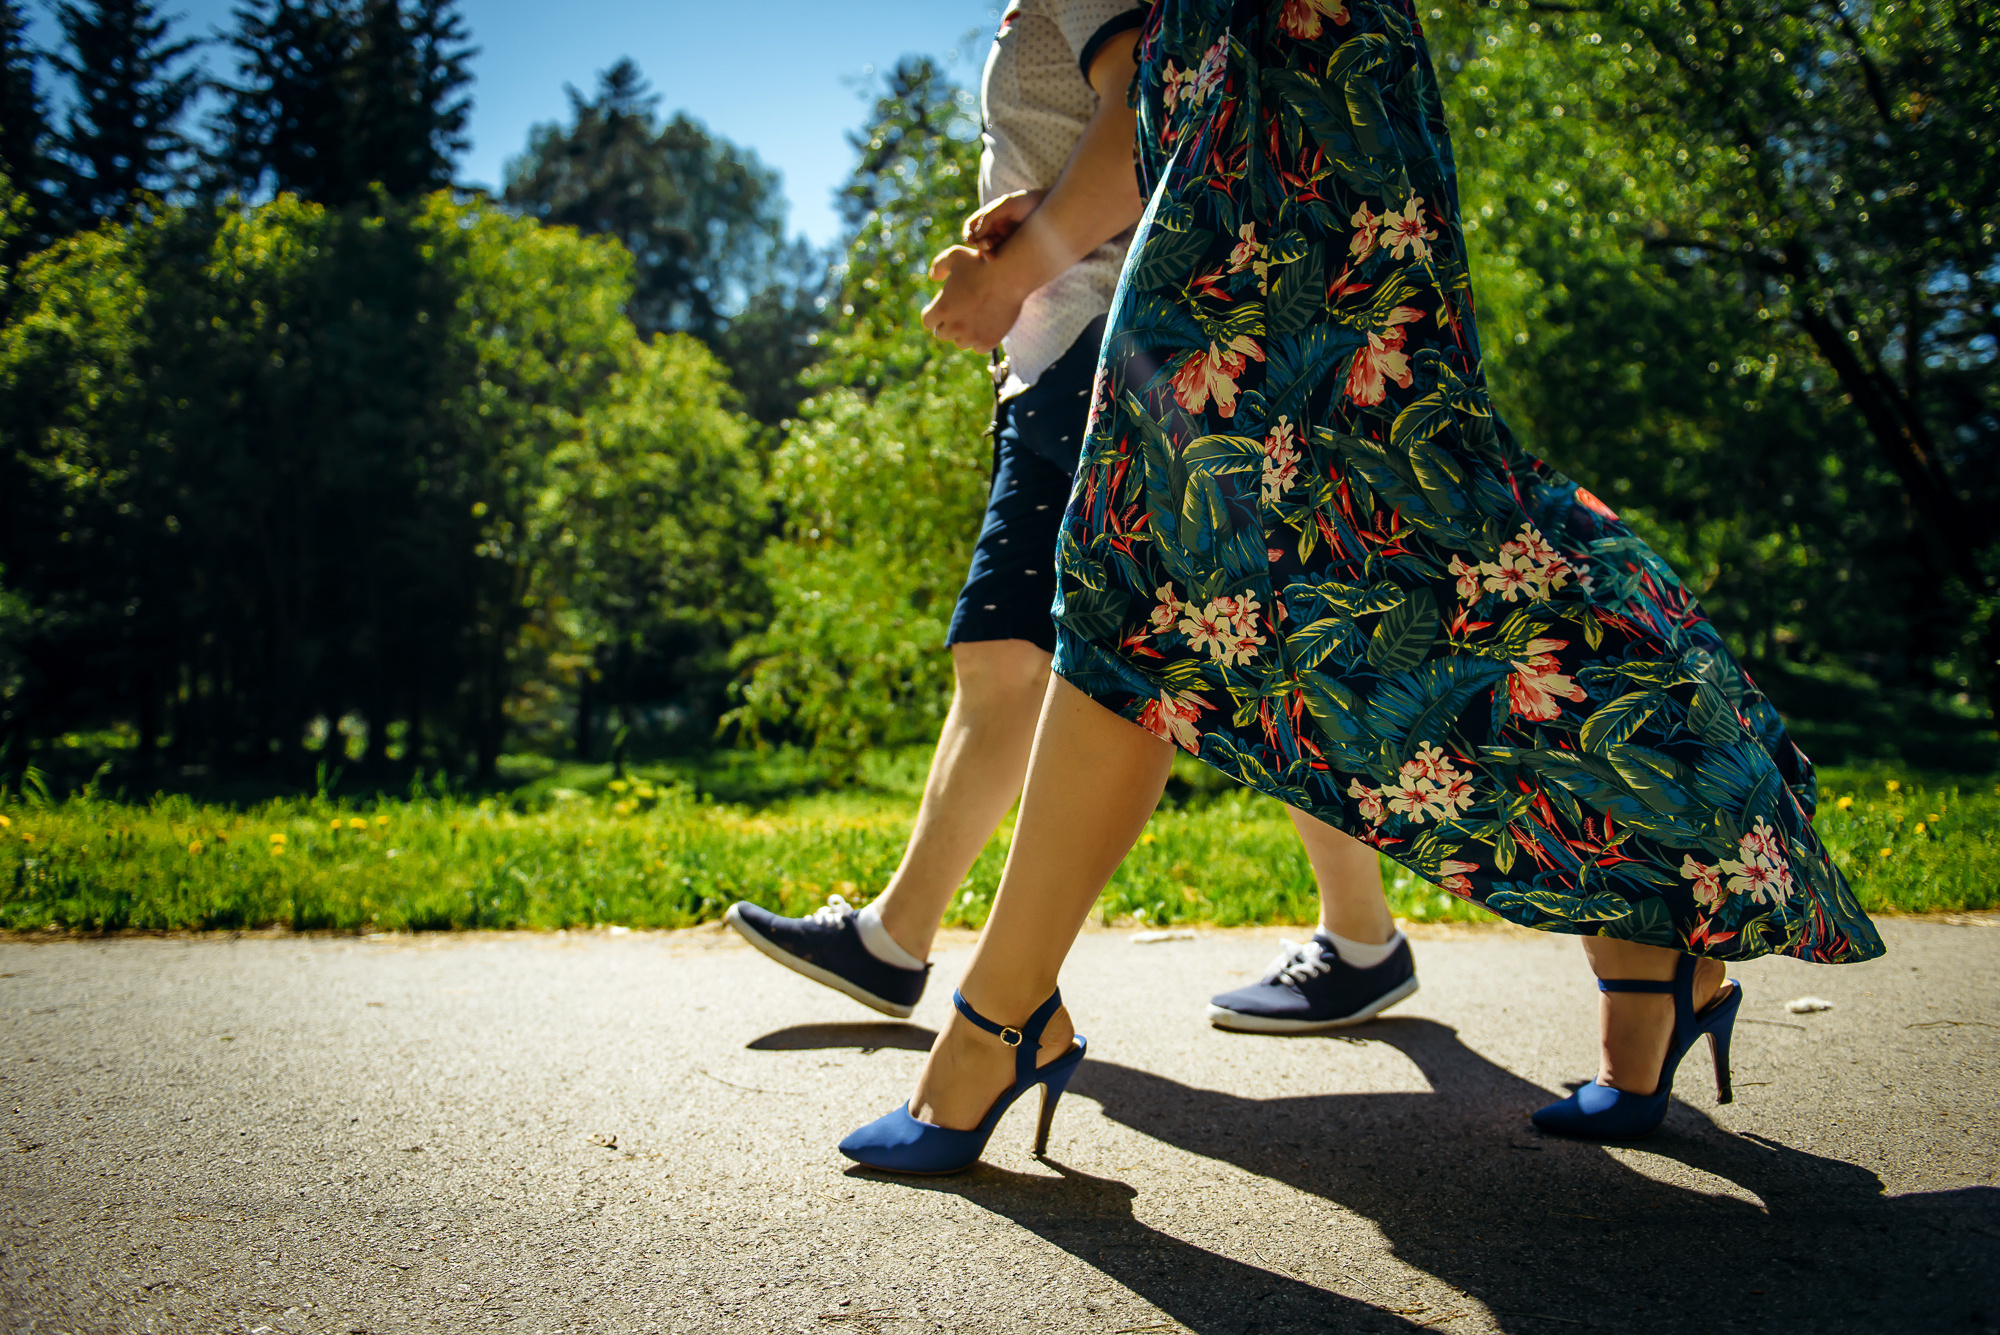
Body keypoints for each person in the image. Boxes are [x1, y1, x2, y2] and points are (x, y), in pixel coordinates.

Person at [836, 0, 1886, 1173]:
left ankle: (1004, 1018)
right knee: (1306, 549)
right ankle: (1649, 947)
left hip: (1287, 131)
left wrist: (1027, 263)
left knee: (1377, 539)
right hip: (1251, 138)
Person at [726, 0, 1420, 1040]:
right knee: (1090, 650)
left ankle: (951, 977)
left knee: (1136, 649)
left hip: (1112, 340)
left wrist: (1007, 276)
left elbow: (1152, 116)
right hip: (1080, 350)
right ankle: (901, 942)